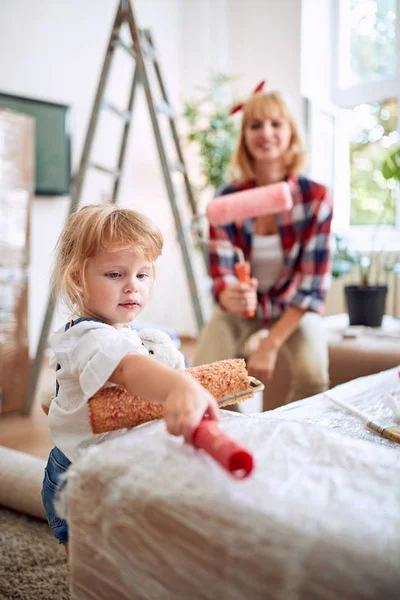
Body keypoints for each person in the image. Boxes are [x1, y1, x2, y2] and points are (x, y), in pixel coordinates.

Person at [41, 203, 219, 553]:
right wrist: (179, 386)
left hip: (111, 464)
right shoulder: (89, 336)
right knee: (93, 563)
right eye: (115, 275)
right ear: (78, 278)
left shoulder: (125, 331)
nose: (131, 287)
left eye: (142, 275)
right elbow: (127, 368)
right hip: (80, 476)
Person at [192, 83, 332, 407]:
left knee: (313, 375)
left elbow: (311, 287)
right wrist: (229, 292)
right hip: (242, 309)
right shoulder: (226, 201)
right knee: (203, 375)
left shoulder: (316, 199)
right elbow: (221, 273)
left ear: (291, 133)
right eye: (255, 125)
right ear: (244, 137)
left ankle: (293, 439)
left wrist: (269, 344)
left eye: (275, 123)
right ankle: (234, 432)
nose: (265, 133)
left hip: (293, 308)